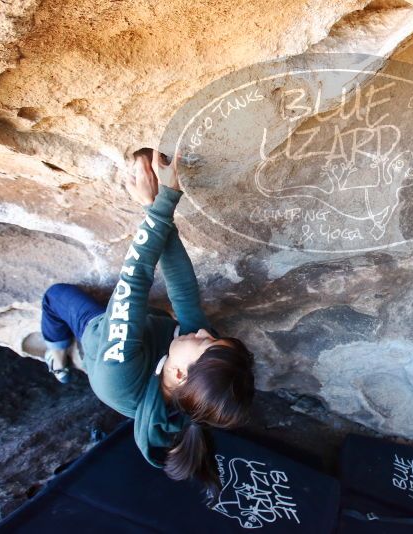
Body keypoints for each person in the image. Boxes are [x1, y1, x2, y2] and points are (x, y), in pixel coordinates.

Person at [39, 147, 255, 501]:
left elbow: (134, 281)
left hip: (100, 336)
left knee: (55, 297)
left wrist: (167, 199)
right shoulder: (195, 376)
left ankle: (58, 351)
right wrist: (154, 204)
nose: (203, 331)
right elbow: (183, 291)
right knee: (157, 315)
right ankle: (61, 354)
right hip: (149, 334)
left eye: (203, 341)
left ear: (180, 375)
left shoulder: (118, 375)